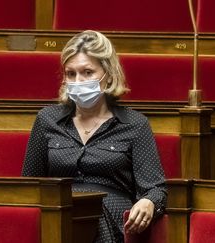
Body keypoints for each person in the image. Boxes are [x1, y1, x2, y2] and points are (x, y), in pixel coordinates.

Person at [21, 30, 167, 243]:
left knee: (92, 215)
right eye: (71, 74)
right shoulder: (47, 120)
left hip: (110, 213)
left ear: (108, 75)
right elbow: (28, 187)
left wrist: (149, 202)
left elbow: (156, 188)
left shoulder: (134, 124)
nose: (78, 81)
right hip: (60, 213)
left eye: (87, 72)